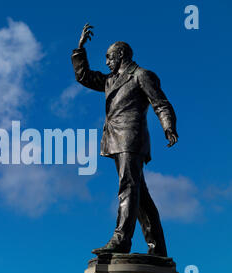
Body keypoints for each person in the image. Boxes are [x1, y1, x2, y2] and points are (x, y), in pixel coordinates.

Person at [71, 24, 178, 257]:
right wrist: (79, 50)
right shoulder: (110, 80)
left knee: (128, 187)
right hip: (115, 138)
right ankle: (157, 246)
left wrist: (168, 126)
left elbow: (160, 103)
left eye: (109, 57)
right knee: (140, 196)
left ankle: (121, 239)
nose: (107, 62)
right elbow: (84, 77)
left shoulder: (141, 75)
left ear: (121, 55)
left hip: (132, 138)